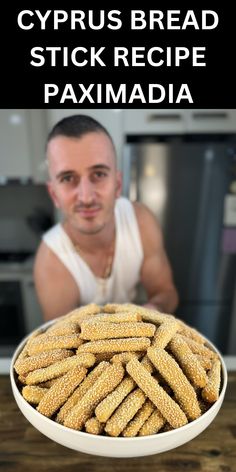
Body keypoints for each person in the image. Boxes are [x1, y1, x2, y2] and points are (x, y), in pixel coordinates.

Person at [34, 114, 179, 321]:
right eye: (68, 178)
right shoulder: (51, 261)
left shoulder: (141, 223)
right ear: (54, 194)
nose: (86, 197)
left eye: (99, 174)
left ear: (118, 184)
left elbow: (166, 292)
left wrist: (155, 307)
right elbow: (62, 344)